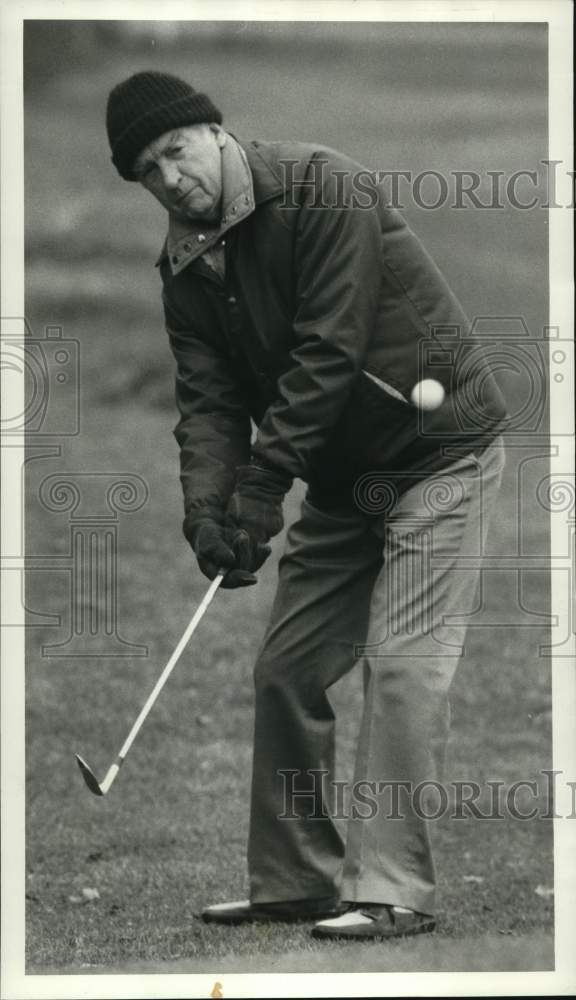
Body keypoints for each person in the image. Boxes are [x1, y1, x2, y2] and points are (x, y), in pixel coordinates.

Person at [105, 70, 508, 941]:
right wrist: (210, 514)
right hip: (341, 477)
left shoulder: (322, 186)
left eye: (176, 151)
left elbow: (329, 350)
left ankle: (392, 888)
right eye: (147, 172)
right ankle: (295, 882)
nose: (170, 179)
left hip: (439, 454)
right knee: (286, 670)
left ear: (215, 132)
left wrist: (262, 487)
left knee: (401, 670)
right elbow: (208, 402)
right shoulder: (184, 269)